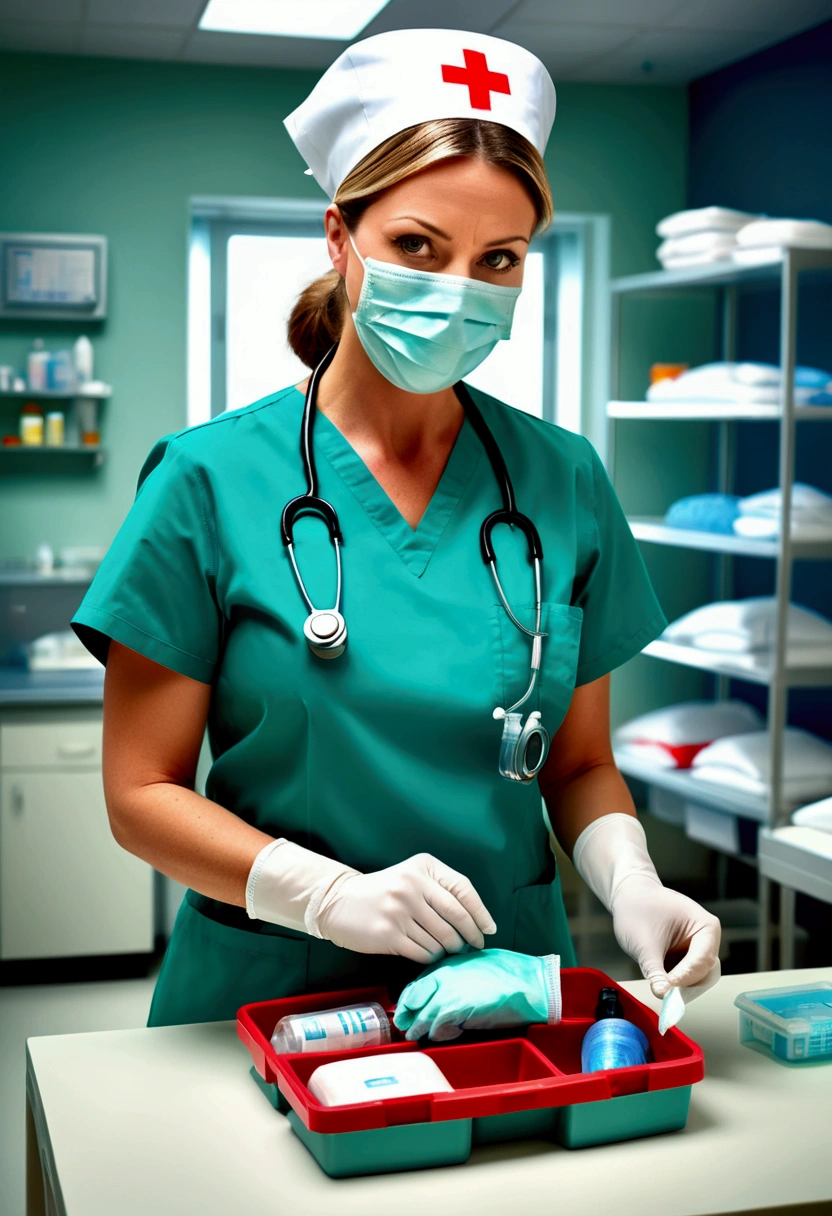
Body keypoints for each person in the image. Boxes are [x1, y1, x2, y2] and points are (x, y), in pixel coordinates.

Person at [71, 27, 721, 1028]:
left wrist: (631, 880)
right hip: (267, 999)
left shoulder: (562, 479)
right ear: (339, 238)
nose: (458, 287)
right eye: (417, 246)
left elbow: (581, 765)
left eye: (497, 258)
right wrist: (323, 892)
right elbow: (141, 793)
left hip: (509, 1001)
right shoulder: (205, 480)